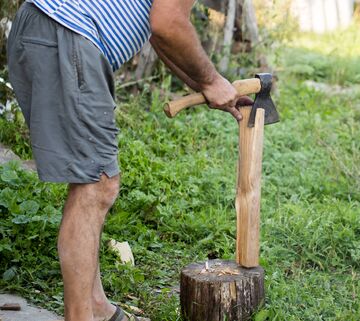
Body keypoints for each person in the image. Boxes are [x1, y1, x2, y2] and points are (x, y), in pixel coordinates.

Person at [7, 1, 251, 320]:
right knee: (97, 186)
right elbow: (167, 23)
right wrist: (210, 81)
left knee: (92, 180)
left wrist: (207, 83)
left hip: (48, 26)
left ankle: (95, 306)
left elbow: (159, 32)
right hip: (67, 31)